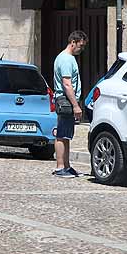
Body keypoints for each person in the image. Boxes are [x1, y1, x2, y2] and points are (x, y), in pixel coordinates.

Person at [52, 30, 87, 178]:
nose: (82, 49)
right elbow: (67, 84)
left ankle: (66, 166)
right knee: (62, 134)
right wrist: (75, 105)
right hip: (65, 100)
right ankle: (60, 167)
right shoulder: (66, 59)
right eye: (81, 45)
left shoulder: (66, 58)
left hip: (66, 100)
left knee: (66, 134)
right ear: (73, 42)